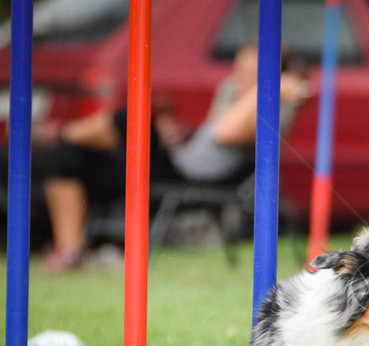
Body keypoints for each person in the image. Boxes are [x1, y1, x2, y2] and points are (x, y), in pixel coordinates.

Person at [42, 44, 309, 271]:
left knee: (133, 118)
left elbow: (226, 133)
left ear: (273, 77)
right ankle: (71, 252)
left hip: (193, 178)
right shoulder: (241, 99)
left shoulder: (271, 105)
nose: (239, 79)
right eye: (238, 71)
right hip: (180, 162)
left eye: (250, 73)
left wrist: (266, 90)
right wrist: (179, 138)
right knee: (66, 158)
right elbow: (209, 140)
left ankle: (63, 132)